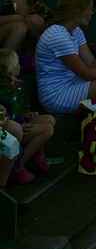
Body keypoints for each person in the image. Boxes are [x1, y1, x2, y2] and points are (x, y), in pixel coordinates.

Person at [0, 49, 53, 185]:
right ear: (9, 72)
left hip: (19, 121)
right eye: (17, 64)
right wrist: (20, 122)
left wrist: (27, 114)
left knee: (49, 119)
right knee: (46, 129)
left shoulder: (16, 84)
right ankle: (18, 166)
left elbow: (18, 110)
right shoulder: (3, 90)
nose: (20, 66)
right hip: (12, 127)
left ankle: (34, 156)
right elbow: (7, 116)